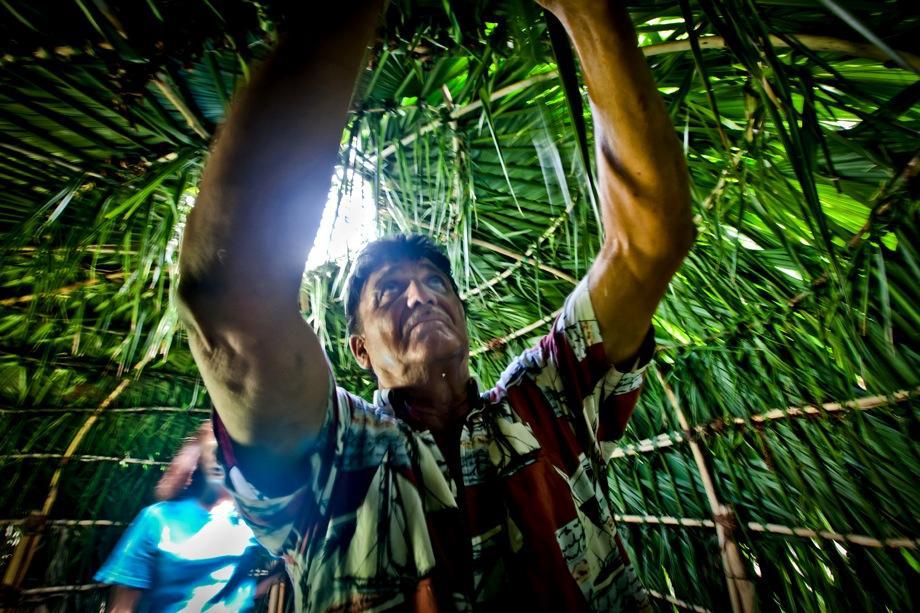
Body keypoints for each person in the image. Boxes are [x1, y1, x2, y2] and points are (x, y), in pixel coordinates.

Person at [177, 0, 692, 610]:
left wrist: (589, 11)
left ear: (464, 316)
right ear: (359, 349)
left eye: (434, 282)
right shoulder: (332, 451)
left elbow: (648, 241)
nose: (420, 294)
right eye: (388, 293)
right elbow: (229, 300)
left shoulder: (547, 399)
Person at [94, 423, 271, 612]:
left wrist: (249, 593)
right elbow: (122, 607)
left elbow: (292, 559)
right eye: (214, 450)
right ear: (199, 456)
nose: (218, 459)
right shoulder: (157, 519)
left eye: (225, 451)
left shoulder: (253, 522)